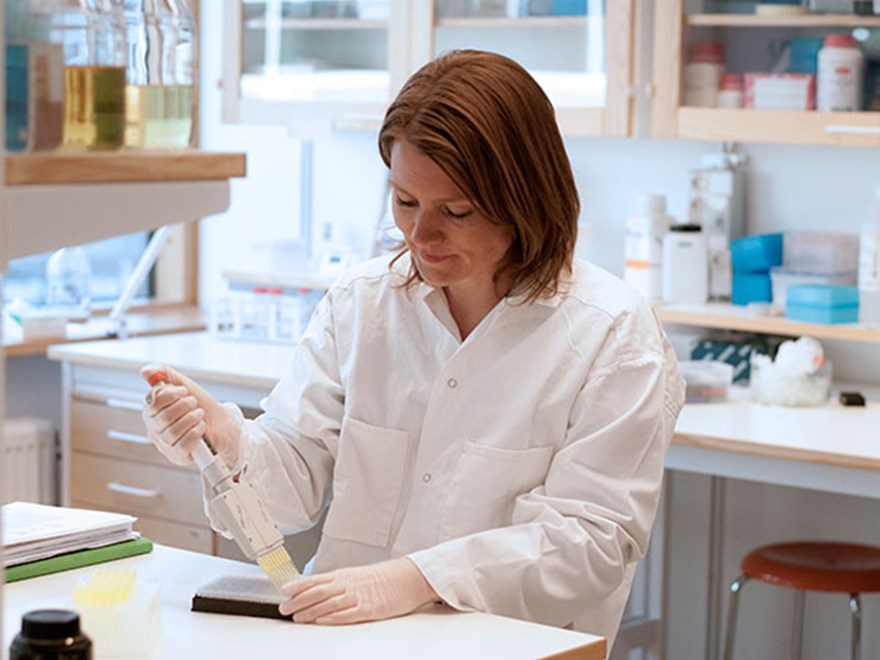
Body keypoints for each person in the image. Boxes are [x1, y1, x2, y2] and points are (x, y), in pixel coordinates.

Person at [142, 49, 685, 648]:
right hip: (345, 643)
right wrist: (226, 439)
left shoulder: (611, 332)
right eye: (405, 202)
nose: (420, 236)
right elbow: (292, 485)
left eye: (455, 211)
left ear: (527, 199)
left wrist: (415, 579)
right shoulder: (363, 303)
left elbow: (589, 545)